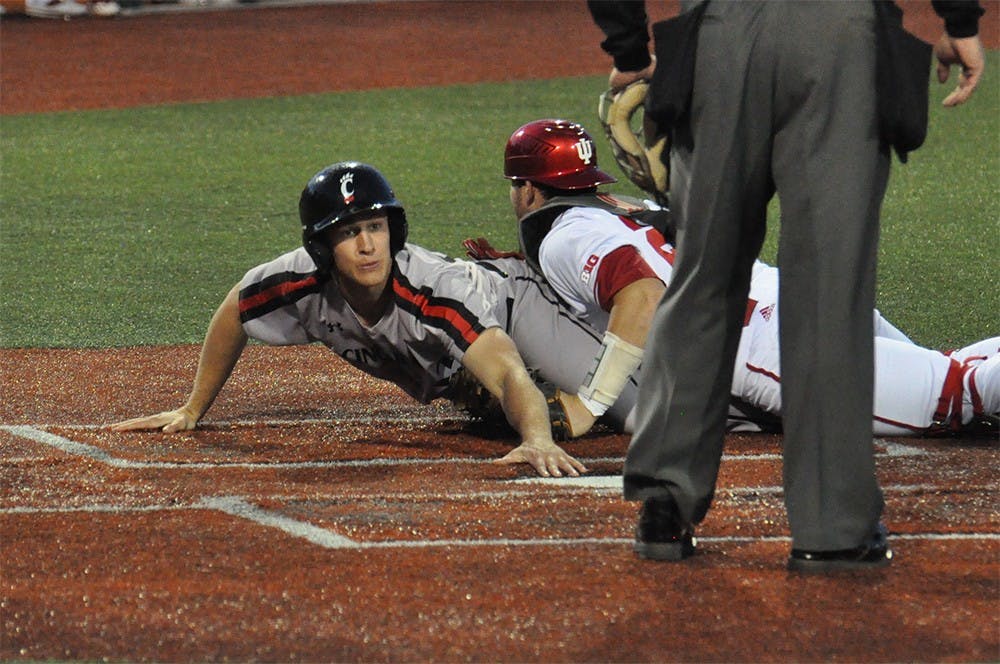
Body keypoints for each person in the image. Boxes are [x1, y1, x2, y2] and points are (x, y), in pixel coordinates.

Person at [585, 0, 986, 572]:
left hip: (719, 38)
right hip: (841, 39)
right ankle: (832, 528)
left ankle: (664, 500)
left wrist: (627, 48)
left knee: (702, 275)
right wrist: (959, 22)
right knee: (829, 290)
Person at [482, 117, 998, 442]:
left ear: (527, 189)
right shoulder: (625, 210)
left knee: (957, 396)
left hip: (766, 338)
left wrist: (588, 403)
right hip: (789, 296)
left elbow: (641, 295)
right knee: (954, 373)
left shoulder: (566, 235)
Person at [111, 161, 612, 479]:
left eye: (376, 227)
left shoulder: (436, 292)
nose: (369, 245)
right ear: (321, 246)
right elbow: (234, 310)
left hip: (518, 305)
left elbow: (505, 370)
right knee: (492, 401)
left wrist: (537, 439)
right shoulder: (298, 280)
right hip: (466, 359)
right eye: (350, 232)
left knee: (607, 406)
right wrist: (192, 408)